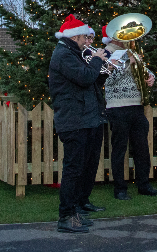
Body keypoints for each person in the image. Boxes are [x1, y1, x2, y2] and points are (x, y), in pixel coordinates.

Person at [48, 14, 106, 233]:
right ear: (76, 36)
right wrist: (99, 59)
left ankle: (75, 210)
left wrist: (103, 70)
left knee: (81, 167)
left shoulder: (73, 53)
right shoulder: (64, 54)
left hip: (85, 117)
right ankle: (66, 216)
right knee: (72, 169)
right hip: (74, 120)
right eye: (85, 37)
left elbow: (89, 81)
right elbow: (83, 77)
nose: (87, 41)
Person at [102, 25, 157, 200]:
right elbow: (107, 79)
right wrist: (128, 64)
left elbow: (143, 70)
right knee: (119, 149)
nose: (126, 37)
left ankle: (144, 184)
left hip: (136, 104)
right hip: (117, 106)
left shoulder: (131, 51)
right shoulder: (105, 53)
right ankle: (120, 189)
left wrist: (150, 76)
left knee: (142, 147)